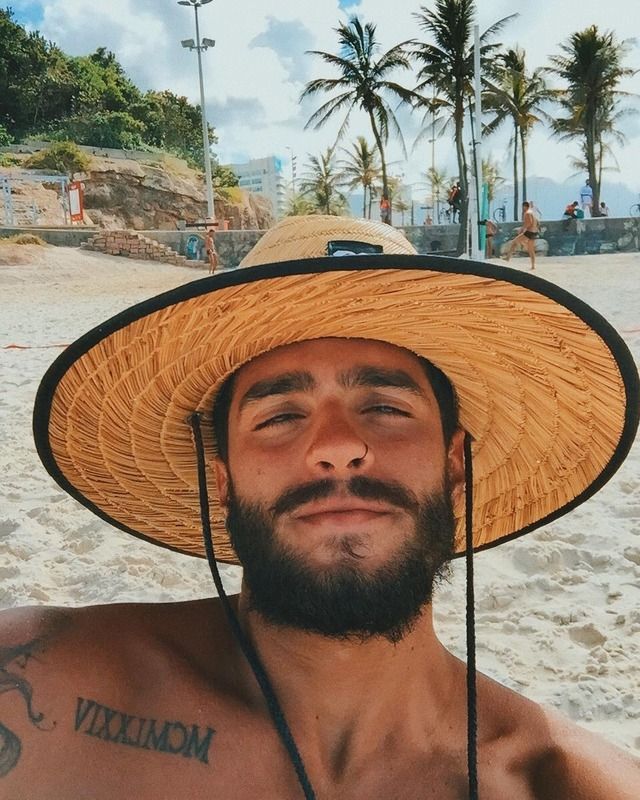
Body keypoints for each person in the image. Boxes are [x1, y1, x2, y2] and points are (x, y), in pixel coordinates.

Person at [2, 215, 639, 799]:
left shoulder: (568, 783)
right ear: (221, 480)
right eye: (279, 416)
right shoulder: (37, 682)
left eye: (386, 408)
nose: (337, 447)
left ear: (454, 464)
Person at [504, 200, 539, 270]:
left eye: (523, 207)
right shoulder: (533, 212)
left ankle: (508, 258)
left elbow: (529, 223)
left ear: (524, 206)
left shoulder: (527, 213)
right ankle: (533, 266)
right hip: (534, 232)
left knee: (514, 241)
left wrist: (522, 229)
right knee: (531, 250)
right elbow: (537, 222)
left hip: (529, 232)